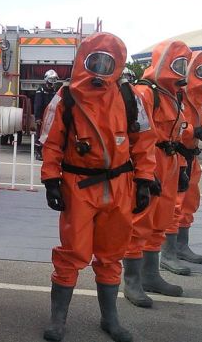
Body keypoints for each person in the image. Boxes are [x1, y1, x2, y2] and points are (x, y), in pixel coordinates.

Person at [39, 32, 156, 342]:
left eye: (108, 63)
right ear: (83, 61)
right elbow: (51, 142)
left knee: (111, 253)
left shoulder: (129, 97)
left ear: (117, 65)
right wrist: (51, 180)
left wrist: (144, 180)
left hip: (119, 186)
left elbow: (144, 142)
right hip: (78, 186)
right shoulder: (66, 98)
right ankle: (58, 320)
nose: (101, 69)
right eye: (96, 61)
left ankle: (110, 319)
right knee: (72, 252)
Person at [123, 40, 193, 306]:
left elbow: (176, 134)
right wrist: (145, 172)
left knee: (161, 219)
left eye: (184, 65)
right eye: (177, 64)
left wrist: (182, 168)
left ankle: (151, 275)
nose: (181, 71)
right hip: (151, 162)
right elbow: (138, 137)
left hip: (170, 161)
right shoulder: (145, 93)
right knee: (140, 220)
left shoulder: (171, 95)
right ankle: (132, 281)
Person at [172, 51, 202, 264]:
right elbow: (170, 125)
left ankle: (180, 246)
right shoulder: (178, 96)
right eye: (200, 71)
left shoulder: (197, 101)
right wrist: (195, 131)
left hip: (190, 157)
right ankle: (168, 250)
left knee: (189, 201)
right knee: (175, 203)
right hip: (176, 157)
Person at [34, 69, 59, 160]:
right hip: (42, 116)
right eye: (51, 80)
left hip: (52, 116)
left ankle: (47, 152)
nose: (52, 83)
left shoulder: (55, 90)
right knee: (40, 134)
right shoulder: (41, 89)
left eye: (54, 80)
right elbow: (38, 104)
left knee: (50, 135)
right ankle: (38, 152)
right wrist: (38, 117)